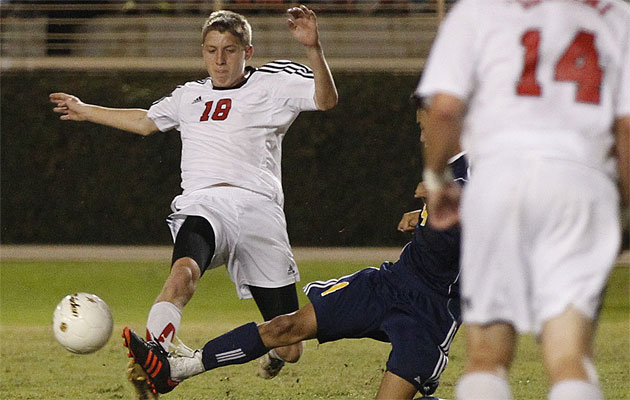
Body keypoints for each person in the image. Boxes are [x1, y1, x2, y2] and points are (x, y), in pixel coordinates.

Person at [49, 5, 338, 397]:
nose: (219, 59)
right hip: (205, 206)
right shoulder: (190, 95)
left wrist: (313, 48)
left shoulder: (274, 82)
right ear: (202, 52)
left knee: (290, 347)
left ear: (248, 52)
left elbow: (326, 99)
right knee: (182, 273)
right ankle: (155, 359)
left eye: (230, 50)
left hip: (259, 213)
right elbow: (145, 121)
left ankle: (263, 351)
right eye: (211, 50)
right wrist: (85, 110)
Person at [120, 101, 470, 399]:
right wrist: (422, 215)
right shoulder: (449, 164)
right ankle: (179, 369)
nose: (423, 137)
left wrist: (444, 194)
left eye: (427, 128)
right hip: (388, 284)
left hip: (430, 311)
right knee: (284, 328)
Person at [416, 0, 630, 399]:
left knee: (486, 356)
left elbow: (444, 109)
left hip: (500, 178)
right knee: (570, 357)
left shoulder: (478, 10)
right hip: (582, 177)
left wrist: (437, 178)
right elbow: (627, 126)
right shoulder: (618, 13)